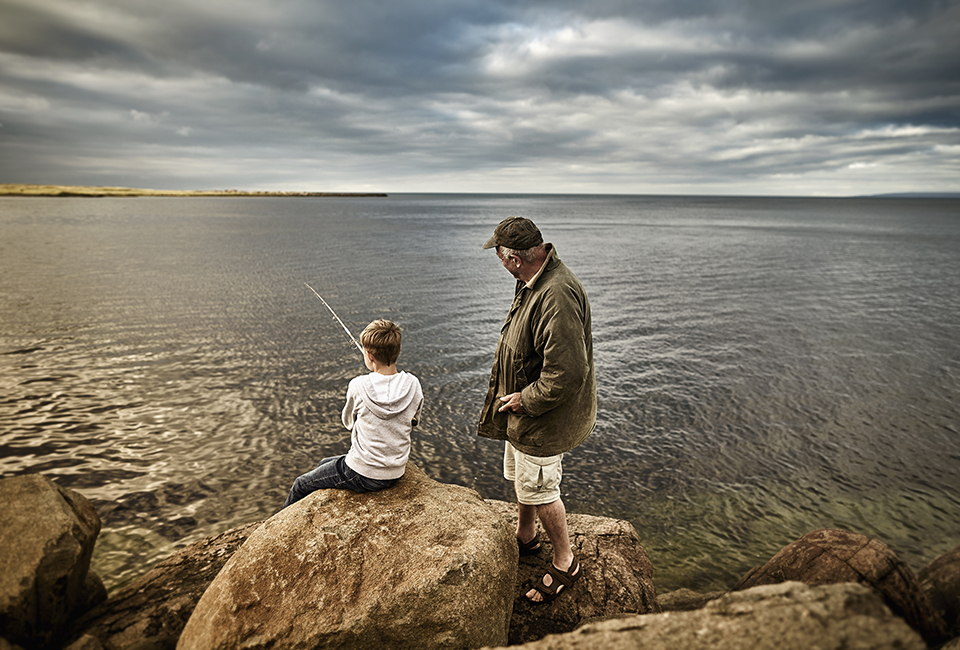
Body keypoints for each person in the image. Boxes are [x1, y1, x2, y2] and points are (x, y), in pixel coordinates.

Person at [478, 216, 597, 604]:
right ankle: (526, 537)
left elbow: (568, 373)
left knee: (543, 490)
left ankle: (565, 561)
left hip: (541, 417)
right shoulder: (533, 279)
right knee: (523, 478)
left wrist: (524, 400)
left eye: (498, 254)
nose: (498, 262)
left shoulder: (556, 293)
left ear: (513, 258)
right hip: (525, 413)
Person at [283, 319, 423, 508]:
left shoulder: (358, 385)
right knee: (324, 462)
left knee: (300, 484)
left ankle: (276, 529)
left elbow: (348, 422)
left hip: (364, 473)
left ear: (370, 356)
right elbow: (415, 420)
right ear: (397, 351)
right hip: (395, 472)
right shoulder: (413, 384)